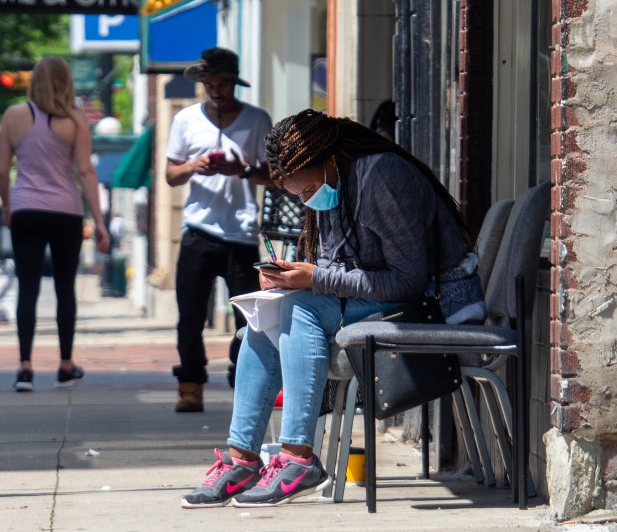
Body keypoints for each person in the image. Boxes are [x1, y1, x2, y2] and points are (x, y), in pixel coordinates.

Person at [180, 109, 484, 508]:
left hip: (429, 303)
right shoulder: (337, 182)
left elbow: (408, 280)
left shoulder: (383, 179)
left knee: (299, 310)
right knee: (264, 318)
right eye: (298, 195)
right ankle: (243, 459)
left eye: (306, 190)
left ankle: (298, 459)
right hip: (381, 298)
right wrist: (290, 276)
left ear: (329, 160)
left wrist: (314, 279)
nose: (307, 200)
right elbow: (341, 265)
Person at [166, 47, 273, 412]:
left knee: (249, 317)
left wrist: (240, 170)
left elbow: (272, 175)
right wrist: (194, 165)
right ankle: (190, 384)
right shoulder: (185, 120)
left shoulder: (258, 120)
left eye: (222, 84)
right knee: (191, 314)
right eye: (209, 84)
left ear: (234, 84)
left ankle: (240, 376)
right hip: (198, 229)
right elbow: (170, 175)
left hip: (241, 233)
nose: (216, 91)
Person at [0, 57, 111, 393]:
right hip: (66, 212)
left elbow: (2, 170)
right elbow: (86, 172)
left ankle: (24, 367)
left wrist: (7, 205)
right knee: (64, 288)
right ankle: (64, 364)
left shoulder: (14, 116)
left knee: (27, 286)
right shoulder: (75, 119)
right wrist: (99, 221)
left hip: (26, 210)